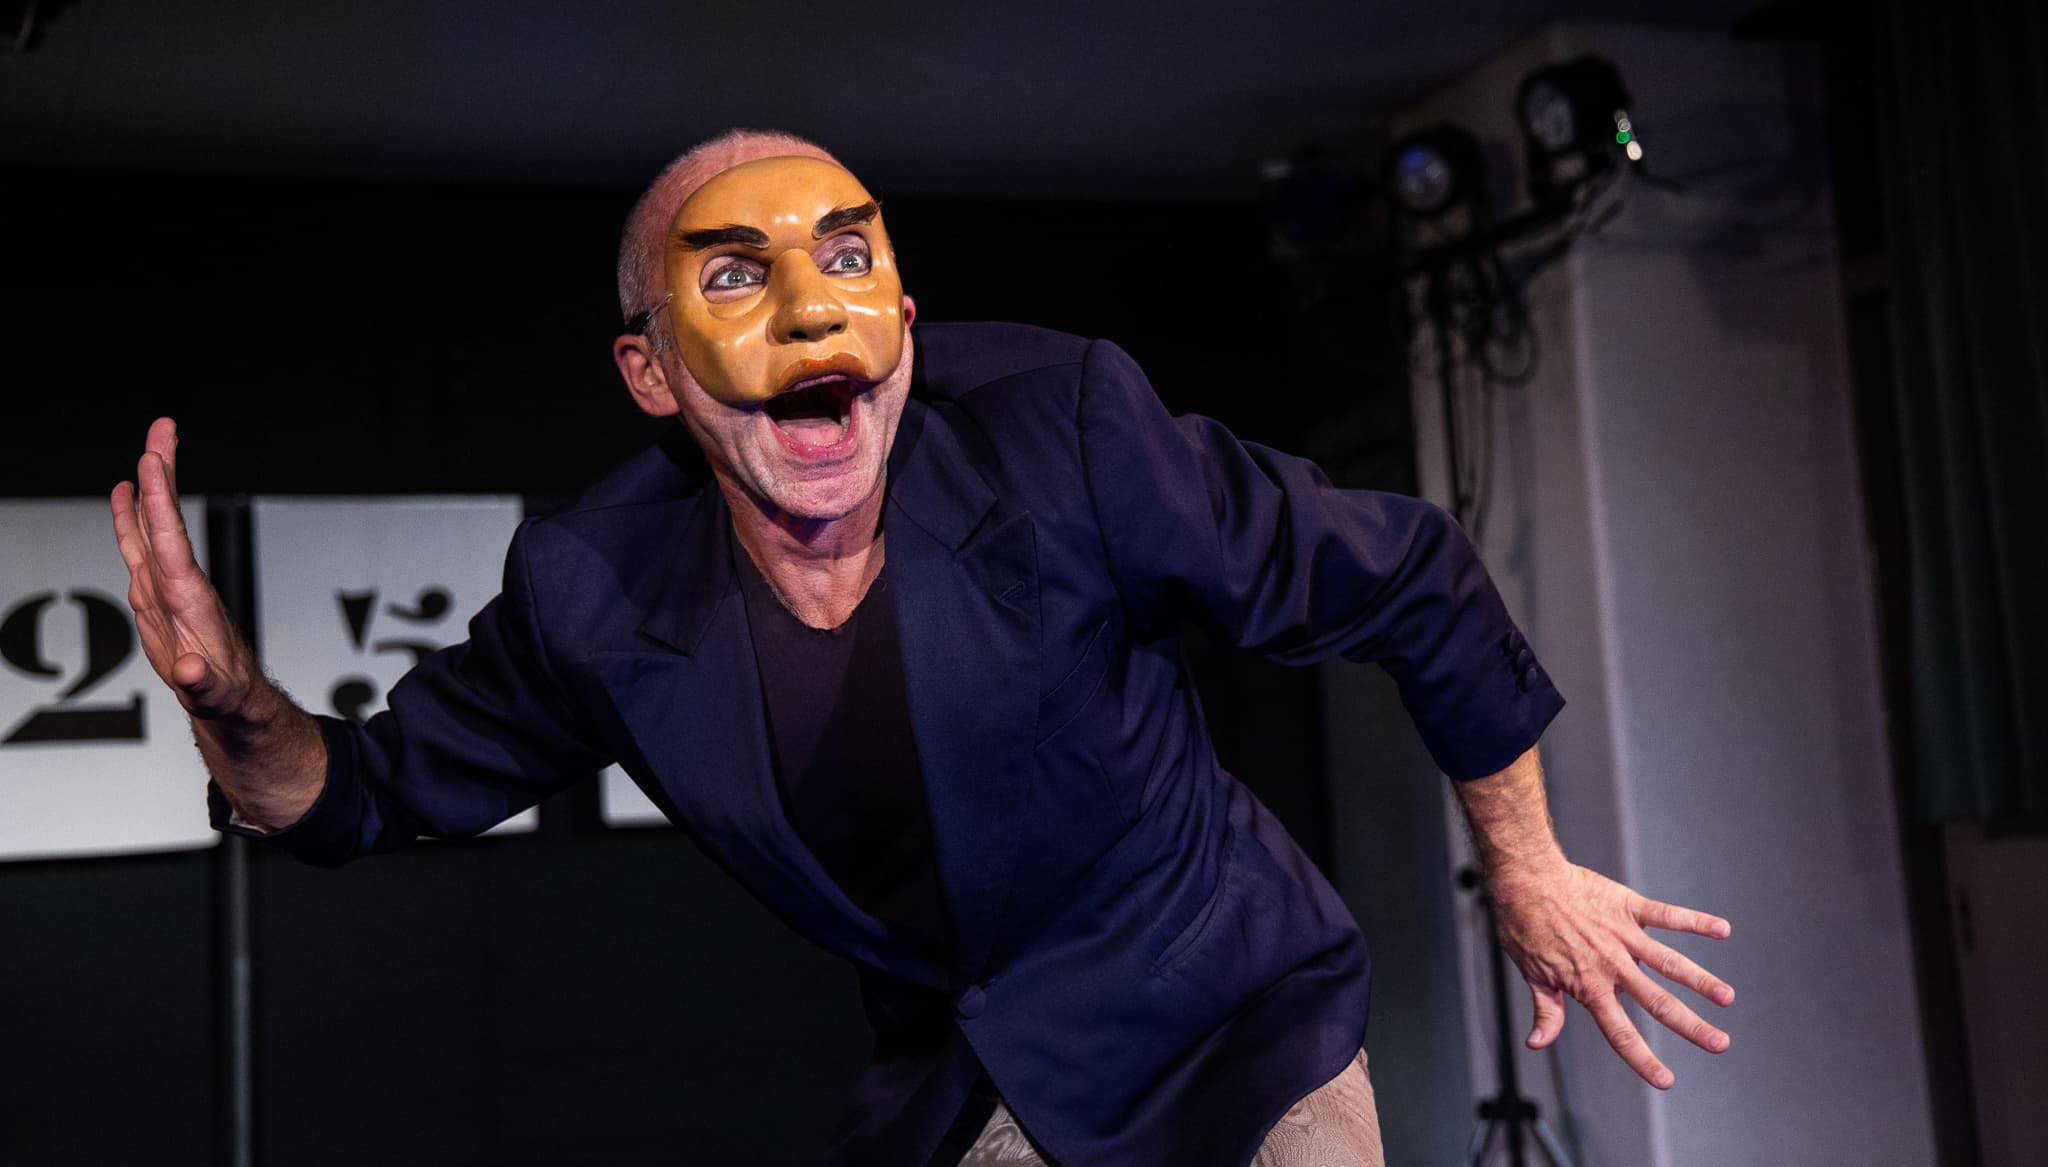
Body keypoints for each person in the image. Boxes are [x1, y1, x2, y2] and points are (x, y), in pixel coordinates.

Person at [109, 129, 1733, 1167]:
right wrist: (234, 706)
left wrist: (1527, 866)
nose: (815, 315)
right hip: (977, 1080)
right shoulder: (594, 589)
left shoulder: (1062, 426)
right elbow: (358, 793)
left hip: (1233, 1021)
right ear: (652, 373)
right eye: (735, 278)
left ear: (899, 309)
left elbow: (1411, 578)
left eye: (848, 258)